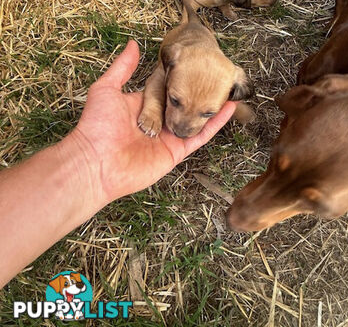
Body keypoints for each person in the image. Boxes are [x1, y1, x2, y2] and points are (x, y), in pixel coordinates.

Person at [0, 41, 237, 288]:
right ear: (168, 64)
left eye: (207, 114)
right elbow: (157, 79)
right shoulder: (174, 56)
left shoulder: (226, 79)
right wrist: (154, 106)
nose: (181, 127)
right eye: (176, 101)